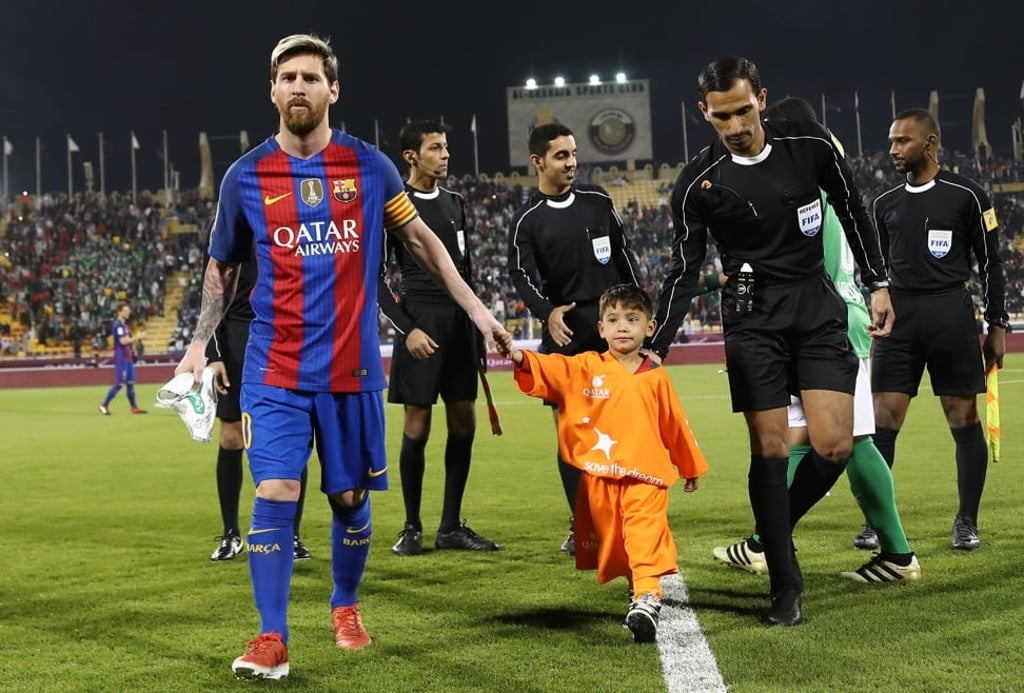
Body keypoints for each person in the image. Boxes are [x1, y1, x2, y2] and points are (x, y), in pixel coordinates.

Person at [174, 34, 508, 680]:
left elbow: (421, 242)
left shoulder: (370, 166)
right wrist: (197, 344)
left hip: (350, 370)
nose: (298, 87)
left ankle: (345, 605)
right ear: (272, 90)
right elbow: (222, 269)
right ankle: (272, 635)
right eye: (287, 77)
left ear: (334, 90)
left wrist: (476, 309)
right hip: (274, 368)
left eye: (310, 77)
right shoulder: (246, 176)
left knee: (351, 497)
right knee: (275, 487)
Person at [648, 56, 894, 626]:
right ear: (703, 113)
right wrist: (659, 343)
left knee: (834, 445)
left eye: (742, 110)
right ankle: (786, 583)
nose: (734, 126)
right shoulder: (698, 183)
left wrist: (879, 282)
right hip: (752, 317)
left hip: (814, 307)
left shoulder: (808, 143)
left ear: (760, 97)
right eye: (720, 116)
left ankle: (770, 535)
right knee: (772, 448)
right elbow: (686, 269)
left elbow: (854, 210)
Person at [711, 97, 919, 584]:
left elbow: (808, 273)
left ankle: (896, 554)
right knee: (813, 439)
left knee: (845, 441)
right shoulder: (832, 181)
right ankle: (766, 541)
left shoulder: (805, 192)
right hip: (839, 321)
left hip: (823, 328)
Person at [496, 283, 707, 643]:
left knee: (643, 534)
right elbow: (550, 368)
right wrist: (517, 356)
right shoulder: (585, 368)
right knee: (617, 543)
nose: (622, 326)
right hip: (601, 478)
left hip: (646, 475)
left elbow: (675, 425)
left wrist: (689, 466)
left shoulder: (656, 377)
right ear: (601, 329)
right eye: (613, 319)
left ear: (649, 328)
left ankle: (647, 598)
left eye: (632, 318)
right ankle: (638, 589)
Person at [870, 108, 1007, 551]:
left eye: (902, 141)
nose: (892, 150)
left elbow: (992, 264)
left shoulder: (969, 195)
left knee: (962, 419)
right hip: (900, 322)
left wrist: (997, 323)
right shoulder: (883, 204)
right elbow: (877, 270)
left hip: (950, 314)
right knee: (883, 422)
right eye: (891, 141)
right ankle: (878, 521)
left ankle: (966, 520)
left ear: (930, 144)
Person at [507, 122, 641, 555]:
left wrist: (639, 312)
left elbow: (623, 257)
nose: (571, 163)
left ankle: (622, 512)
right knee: (571, 433)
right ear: (538, 162)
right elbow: (520, 275)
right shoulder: (528, 220)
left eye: (573, 154)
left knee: (617, 428)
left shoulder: (598, 201)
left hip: (611, 332)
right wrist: (547, 313)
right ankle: (581, 521)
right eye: (561, 156)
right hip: (566, 336)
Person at [378, 120, 498, 556]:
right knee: (418, 423)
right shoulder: (394, 206)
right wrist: (407, 329)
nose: (445, 155)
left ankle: (451, 525)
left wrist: (476, 325)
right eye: (435, 148)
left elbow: (463, 272)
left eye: (446, 147)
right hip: (421, 319)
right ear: (411, 156)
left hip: (459, 324)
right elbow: (375, 281)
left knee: (464, 421)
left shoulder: (455, 203)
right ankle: (411, 526)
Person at [206, 259, 311, 563]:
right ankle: (230, 534)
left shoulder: (288, 222)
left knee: (290, 435)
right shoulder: (229, 230)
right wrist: (213, 354)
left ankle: (290, 534)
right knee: (231, 437)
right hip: (236, 336)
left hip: (282, 336)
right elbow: (212, 294)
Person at [98, 302, 147, 415]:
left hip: (127, 357)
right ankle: (104, 404)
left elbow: (127, 342)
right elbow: (122, 341)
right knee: (120, 383)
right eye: (125, 311)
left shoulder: (124, 326)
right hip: (121, 358)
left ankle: (134, 407)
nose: (128, 313)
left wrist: (132, 349)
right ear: (119, 312)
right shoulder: (118, 325)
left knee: (130, 383)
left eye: (128, 311)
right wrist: (137, 337)